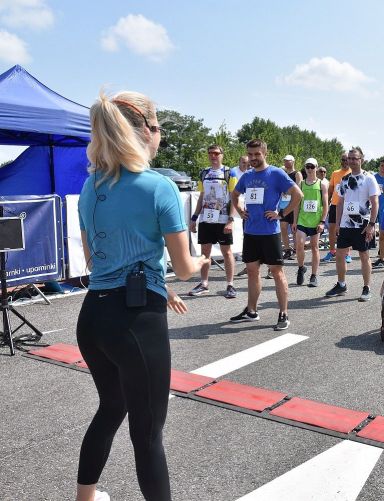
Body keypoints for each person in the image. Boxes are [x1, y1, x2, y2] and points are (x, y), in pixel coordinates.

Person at [76, 91, 209, 501]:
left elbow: (96, 261)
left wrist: (156, 282)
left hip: (93, 317)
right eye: (158, 129)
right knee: (148, 433)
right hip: (135, 321)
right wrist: (206, 263)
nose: (160, 137)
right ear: (144, 132)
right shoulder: (159, 186)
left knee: (111, 407)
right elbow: (185, 266)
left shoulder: (90, 184)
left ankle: (85, 497)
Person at [230, 139, 303, 329]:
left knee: (277, 273)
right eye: (250, 154)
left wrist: (281, 214)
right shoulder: (247, 176)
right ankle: (251, 311)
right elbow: (234, 194)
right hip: (251, 232)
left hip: (270, 232)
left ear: (265, 153)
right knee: (252, 272)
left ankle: (283, 314)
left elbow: (298, 195)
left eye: (257, 154)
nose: (253, 158)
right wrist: (239, 210)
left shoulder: (276, 173)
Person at [325, 147, 380, 301]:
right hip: (346, 224)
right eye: (350, 158)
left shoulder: (369, 178)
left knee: (364, 255)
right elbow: (340, 203)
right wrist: (336, 224)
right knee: (340, 255)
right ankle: (341, 284)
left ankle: (366, 287)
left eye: (355, 158)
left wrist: (372, 224)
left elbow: (375, 203)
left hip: (362, 225)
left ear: (361, 159)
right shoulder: (344, 179)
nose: (352, 161)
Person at [188, 145, 238, 299]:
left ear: (222, 155)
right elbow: (202, 197)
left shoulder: (229, 172)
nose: (213, 156)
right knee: (205, 253)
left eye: (216, 153)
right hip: (206, 218)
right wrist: (194, 218)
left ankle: (230, 284)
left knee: (227, 252)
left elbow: (234, 198)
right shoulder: (204, 173)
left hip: (222, 219)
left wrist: (230, 220)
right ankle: (204, 284)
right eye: (210, 153)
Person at [293, 158, 329, 287]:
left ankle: (314, 275)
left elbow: (325, 205)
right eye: (307, 166)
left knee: (314, 247)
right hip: (302, 220)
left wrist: (322, 221)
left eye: (312, 167)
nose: (309, 169)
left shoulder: (322, 184)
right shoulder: (301, 184)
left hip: (315, 221)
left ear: (316, 168)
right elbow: (296, 204)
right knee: (299, 245)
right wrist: (294, 221)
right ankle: (301, 267)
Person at [321, 154, 352, 263]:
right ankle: (332, 251)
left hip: (347, 205)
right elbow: (331, 190)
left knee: (346, 229)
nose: (344, 162)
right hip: (334, 204)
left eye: (347, 160)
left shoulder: (353, 173)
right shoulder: (335, 173)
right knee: (332, 229)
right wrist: (327, 203)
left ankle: (347, 253)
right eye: (343, 160)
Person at [279, 154, 303, 260]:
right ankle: (287, 249)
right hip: (283, 204)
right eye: (285, 161)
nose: (286, 162)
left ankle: (296, 250)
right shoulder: (282, 173)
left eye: (288, 161)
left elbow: (299, 189)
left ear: (293, 162)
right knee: (283, 227)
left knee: (294, 228)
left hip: (293, 204)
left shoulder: (297, 174)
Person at [373, 157, 384, 268]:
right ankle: (382, 252)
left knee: (383, 231)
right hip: (375, 207)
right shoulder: (374, 177)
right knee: (379, 231)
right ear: (379, 167)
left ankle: (382, 253)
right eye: (382, 166)